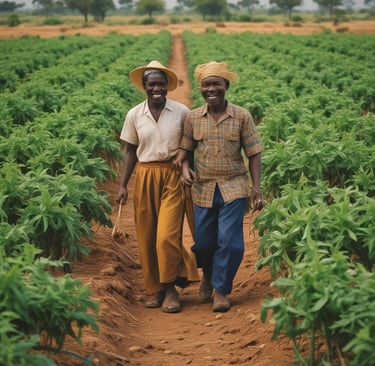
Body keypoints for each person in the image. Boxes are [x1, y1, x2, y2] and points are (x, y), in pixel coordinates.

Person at [173, 61, 263, 313]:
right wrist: (184, 169)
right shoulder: (192, 118)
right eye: (206, 85)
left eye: (216, 84)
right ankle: (208, 276)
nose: (210, 89)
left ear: (226, 86)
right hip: (202, 188)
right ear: (201, 88)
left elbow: (254, 153)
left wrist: (256, 188)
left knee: (230, 242)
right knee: (203, 242)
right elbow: (186, 150)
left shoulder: (242, 116)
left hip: (234, 187)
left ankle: (221, 289)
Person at [117, 60, 199, 313]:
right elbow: (130, 151)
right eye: (151, 84)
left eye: (161, 84)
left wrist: (187, 168)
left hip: (173, 176)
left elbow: (189, 146)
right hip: (146, 175)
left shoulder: (181, 112)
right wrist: (122, 186)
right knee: (147, 236)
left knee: (166, 236)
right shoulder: (134, 114)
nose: (157, 88)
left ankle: (171, 288)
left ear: (167, 86)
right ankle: (155, 289)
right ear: (144, 86)